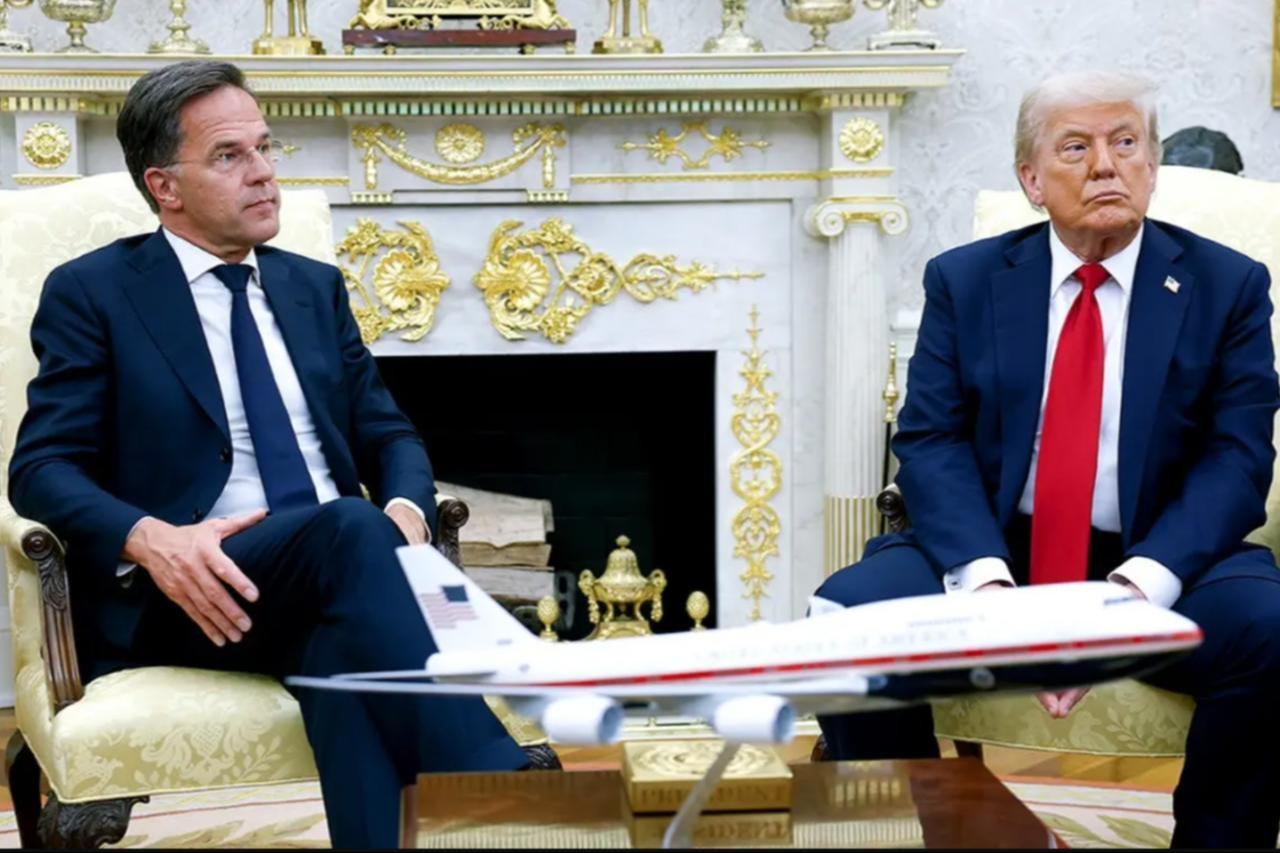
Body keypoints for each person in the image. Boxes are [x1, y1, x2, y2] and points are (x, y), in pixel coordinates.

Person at [7, 60, 530, 849]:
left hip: (336, 574)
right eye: (230, 155)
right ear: (165, 187)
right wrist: (152, 537)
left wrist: (406, 510)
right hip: (192, 589)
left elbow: (389, 435)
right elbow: (40, 467)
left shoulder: (312, 288)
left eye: (266, 147)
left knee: (346, 650)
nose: (265, 174)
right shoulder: (96, 292)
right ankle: (513, 788)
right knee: (349, 530)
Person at [814, 70, 1280, 849]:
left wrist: (1133, 590)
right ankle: (931, 833)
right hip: (999, 548)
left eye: (1126, 143)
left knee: (1269, 631)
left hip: (1161, 557)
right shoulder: (965, 281)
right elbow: (930, 441)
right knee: (849, 617)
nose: (1107, 165)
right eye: (1077, 147)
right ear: (1032, 180)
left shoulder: (1226, 285)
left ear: (1152, 164)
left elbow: (1237, 460)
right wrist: (993, 593)